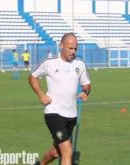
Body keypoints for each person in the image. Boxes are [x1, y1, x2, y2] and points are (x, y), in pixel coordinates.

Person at [28, 33, 91, 165]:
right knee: (67, 151)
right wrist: (41, 94)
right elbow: (32, 77)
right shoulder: (49, 63)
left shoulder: (80, 65)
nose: (73, 52)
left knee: (56, 152)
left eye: (75, 49)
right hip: (54, 113)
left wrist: (85, 92)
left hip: (71, 116)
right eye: (70, 48)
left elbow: (86, 85)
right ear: (61, 45)